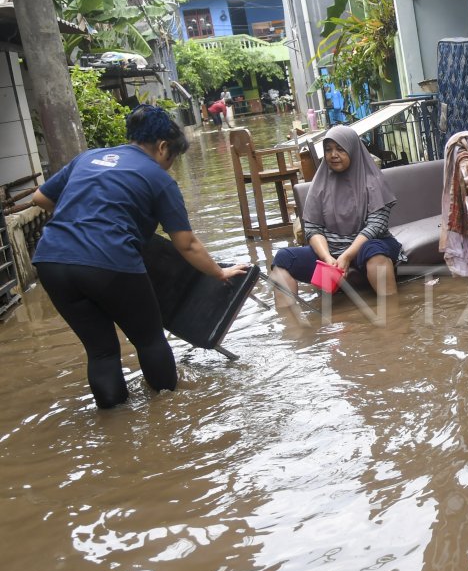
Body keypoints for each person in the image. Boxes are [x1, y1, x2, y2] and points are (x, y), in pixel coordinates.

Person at [31, 105, 248, 408]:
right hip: (109, 261)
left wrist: (83, 218)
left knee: (101, 351)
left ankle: (115, 422)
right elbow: (187, 244)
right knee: (148, 339)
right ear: (162, 148)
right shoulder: (157, 178)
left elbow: (40, 197)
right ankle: (168, 411)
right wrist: (219, 273)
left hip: (51, 261)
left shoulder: (88, 158)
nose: (169, 165)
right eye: (172, 158)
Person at [269, 125, 404, 304]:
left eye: (340, 149)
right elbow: (312, 228)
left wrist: (347, 255)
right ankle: (291, 325)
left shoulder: (373, 181)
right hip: (330, 251)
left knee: (376, 254)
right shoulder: (319, 185)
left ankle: (393, 317)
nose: (333, 155)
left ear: (353, 150)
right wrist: (326, 258)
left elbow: (375, 226)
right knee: (282, 259)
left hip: (367, 245)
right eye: (328, 150)